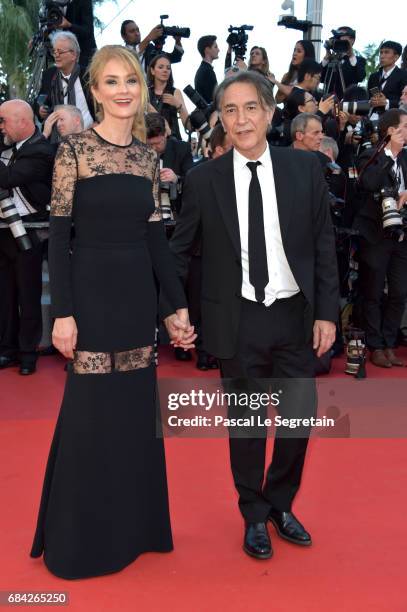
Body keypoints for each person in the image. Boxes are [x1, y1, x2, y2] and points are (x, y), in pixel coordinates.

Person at [30, 45, 194, 580]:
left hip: (135, 298)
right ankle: (81, 538)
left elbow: (155, 242)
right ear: (95, 91)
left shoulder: (148, 159)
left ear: (140, 89)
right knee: (91, 409)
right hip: (91, 294)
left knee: (133, 410)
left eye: (130, 81)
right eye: (111, 82)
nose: (123, 90)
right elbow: (58, 237)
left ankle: (136, 528)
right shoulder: (74, 150)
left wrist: (176, 308)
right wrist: (63, 312)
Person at [163, 71, 339, 560]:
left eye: (250, 108)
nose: (241, 119)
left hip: (294, 316)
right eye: (230, 110)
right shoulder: (203, 180)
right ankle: (254, 514)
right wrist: (173, 309)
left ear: (269, 112)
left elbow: (325, 248)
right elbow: (179, 252)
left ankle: (280, 503)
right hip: (237, 320)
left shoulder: (305, 171)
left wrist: (327, 313)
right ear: (221, 118)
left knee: (297, 422)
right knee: (245, 425)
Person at [0, 100, 54, 375]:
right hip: (5, 231)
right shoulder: (11, 147)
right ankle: (7, 349)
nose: (0, 127)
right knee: (5, 294)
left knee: (28, 294)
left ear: (22, 122)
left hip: (30, 232)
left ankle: (28, 354)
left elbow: (8, 178)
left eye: (3, 121)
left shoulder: (41, 150)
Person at [354, 108, 407, 368]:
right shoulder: (371, 155)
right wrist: (389, 154)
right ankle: (375, 346)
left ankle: (388, 343)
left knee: (399, 292)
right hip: (375, 234)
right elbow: (369, 182)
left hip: (401, 235)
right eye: (404, 127)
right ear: (391, 130)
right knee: (373, 292)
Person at [36, 31, 94, 139]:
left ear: (74, 55)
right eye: (54, 51)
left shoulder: (89, 75)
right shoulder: (48, 76)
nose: (56, 55)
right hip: (57, 141)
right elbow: (40, 100)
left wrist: (99, 123)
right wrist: (40, 110)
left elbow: (101, 106)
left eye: (60, 51)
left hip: (89, 137)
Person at [147, 54, 189, 141]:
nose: (165, 70)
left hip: (172, 141)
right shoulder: (145, 93)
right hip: (150, 142)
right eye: (161, 67)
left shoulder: (175, 92)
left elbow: (189, 126)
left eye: (168, 68)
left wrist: (178, 105)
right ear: (152, 71)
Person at [47, 0, 97, 69]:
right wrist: (38, 37)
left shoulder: (84, 2)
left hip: (86, 55)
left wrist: (69, 25)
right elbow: (47, 23)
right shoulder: (51, 4)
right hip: (67, 58)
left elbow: (88, 31)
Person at [320, 26, 366, 98]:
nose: (339, 39)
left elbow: (360, 77)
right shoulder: (330, 60)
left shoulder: (359, 60)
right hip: (328, 102)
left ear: (352, 40)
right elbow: (320, 78)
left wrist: (351, 55)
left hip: (347, 102)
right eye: (337, 37)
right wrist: (326, 58)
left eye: (341, 36)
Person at [368, 41, 407, 118]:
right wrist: (371, 102)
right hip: (372, 118)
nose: (382, 56)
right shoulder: (373, 77)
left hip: (394, 119)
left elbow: (405, 102)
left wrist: (387, 103)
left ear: (396, 57)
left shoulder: (404, 75)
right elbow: (368, 98)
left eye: (386, 52)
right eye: (381, 52)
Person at [194, 35, 220, 104]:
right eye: (215, 47)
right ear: (207, 49)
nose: (218, 50)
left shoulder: (203, 69)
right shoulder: (207, 71)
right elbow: (215, 99)